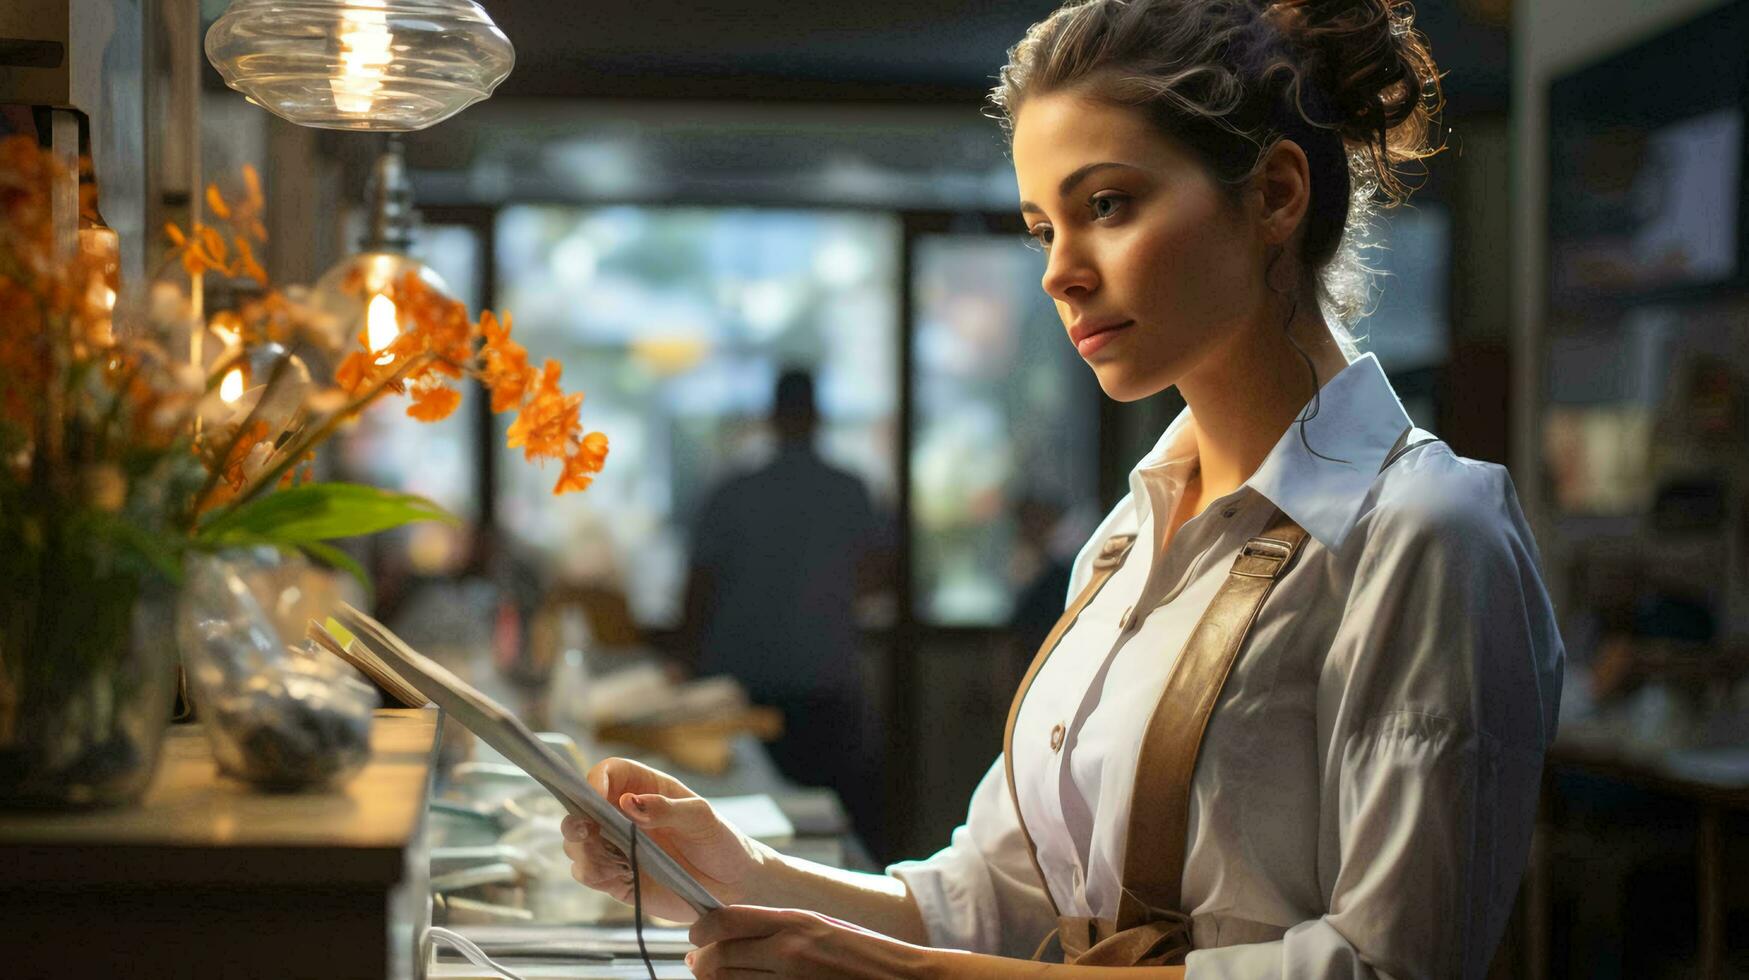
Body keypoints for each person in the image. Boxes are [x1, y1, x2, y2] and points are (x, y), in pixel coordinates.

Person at [561, 2, 1564, 976]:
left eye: (1107, 206)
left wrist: (902, 973)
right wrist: (741, 868)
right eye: (1043, 227)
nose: (1059, 272)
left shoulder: (1425, 533)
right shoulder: (1128, 539)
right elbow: (994, 902)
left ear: (1274, 195)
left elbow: (1385, 967)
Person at [675, 368, 889, 849]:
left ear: (772, 417)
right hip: (824, 683)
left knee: (739, 830)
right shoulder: (849, 490)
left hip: (742, 688)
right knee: (827, 834)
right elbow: (876, 579)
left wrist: (688, 667)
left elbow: (697, 589)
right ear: (817, 416)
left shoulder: (733, 491)